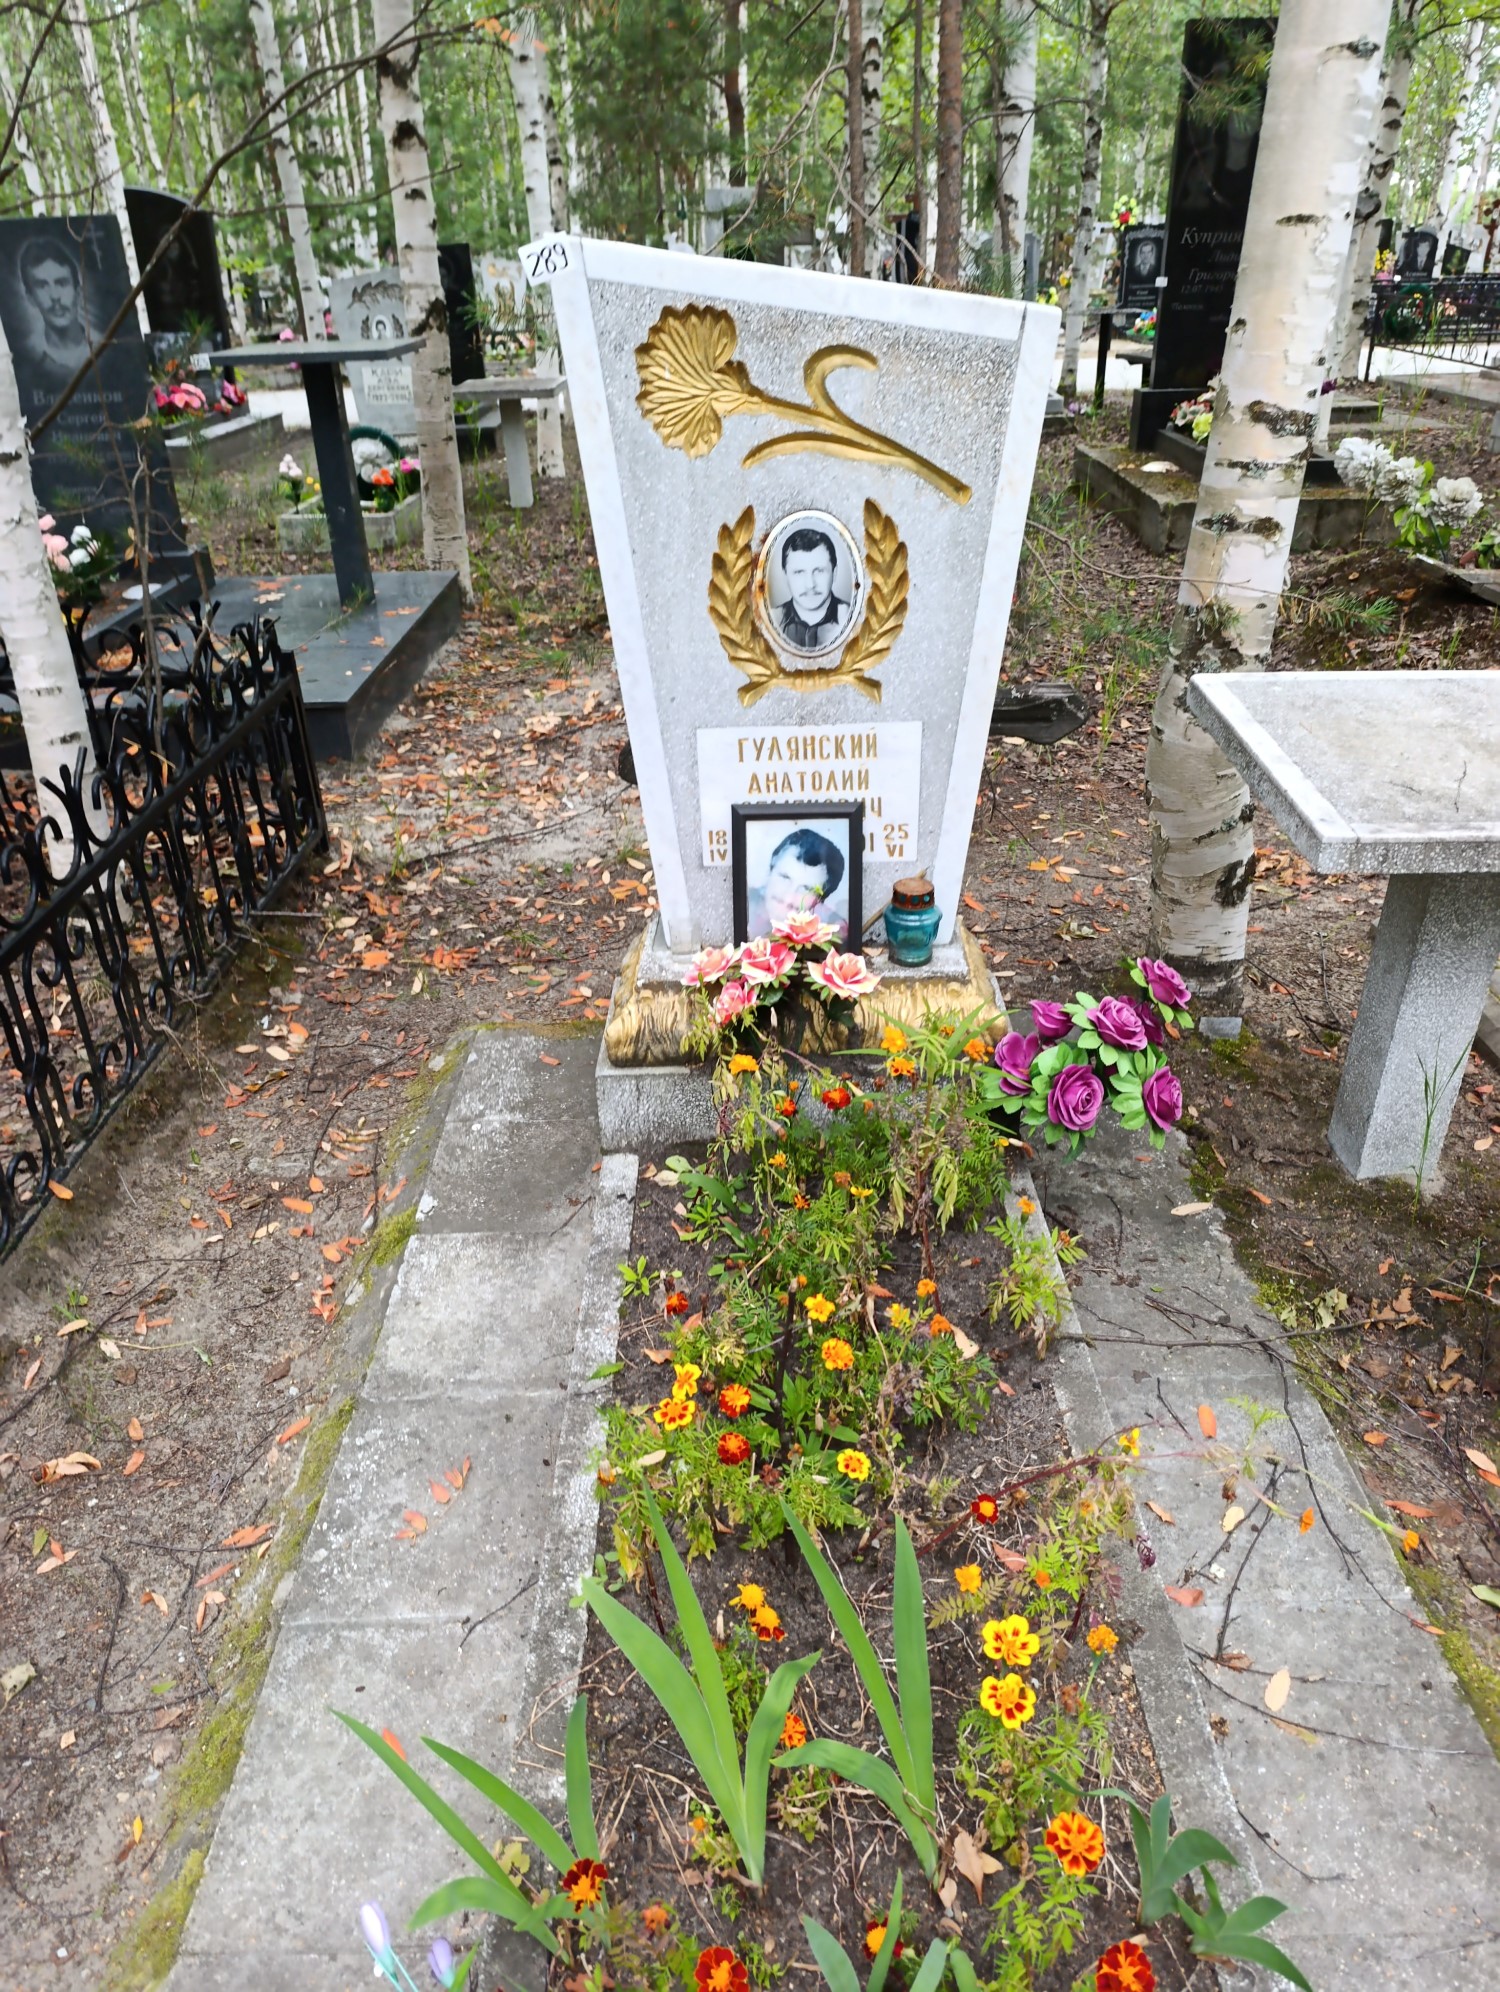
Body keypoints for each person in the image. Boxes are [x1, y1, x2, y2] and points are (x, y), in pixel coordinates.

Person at [15, 238, 92, 393]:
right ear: (30, 298)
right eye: (42, 286)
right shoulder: (26, 361)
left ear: (78, 292)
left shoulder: (108, 351)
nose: (55, 296)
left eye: (61, 283)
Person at [748, 826, 847, 939]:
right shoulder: (742, 905)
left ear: (819, 900)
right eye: (785, 877)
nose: (788, 898)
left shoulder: (836, 930)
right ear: (771, 868)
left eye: (806, 889)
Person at [777, 526, 852, 650]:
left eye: (819, 571)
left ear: (834, 573)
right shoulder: (772, 619)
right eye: (799, 572)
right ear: (785, 576)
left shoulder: (853, 618)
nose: (810, 584)